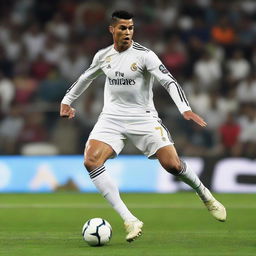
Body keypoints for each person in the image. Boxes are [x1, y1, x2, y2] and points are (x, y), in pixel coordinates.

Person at [60, 10, 226, 242]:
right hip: (111, 118)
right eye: (122, 28)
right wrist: (67, 101)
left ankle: (205, 194)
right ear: (112, 30)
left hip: (143, 118)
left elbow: (168, 81)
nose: (127, 32)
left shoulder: (145, 55)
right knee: (91, 161)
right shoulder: (103, 56)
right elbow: (86, 77)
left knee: (172, 165)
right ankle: (130, 219)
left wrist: (184, 108)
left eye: (130, 28)